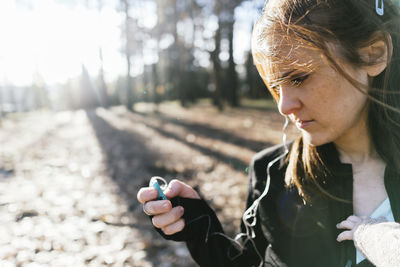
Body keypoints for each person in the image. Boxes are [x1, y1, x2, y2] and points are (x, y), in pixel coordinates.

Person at [137, 0, 400, 266]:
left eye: (299, 78)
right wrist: (201, 232)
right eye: (276, 86)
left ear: (373, 55)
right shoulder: (271, 174)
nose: (284, 106)